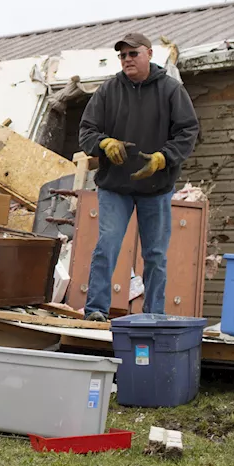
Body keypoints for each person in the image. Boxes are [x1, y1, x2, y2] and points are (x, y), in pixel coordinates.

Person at [78, 31, 200, 322]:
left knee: (156, 255)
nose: (127, 59)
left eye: (133, 53)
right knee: (107, 245)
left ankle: (154, 314)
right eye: (122, 55)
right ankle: (95, 310)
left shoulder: (171, 90)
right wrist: (103, 143)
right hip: (115, 186)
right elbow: (87, 131)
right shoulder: (108, 91)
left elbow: (188, 131)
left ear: (149, 54)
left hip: (156, 187)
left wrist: (163, 158)